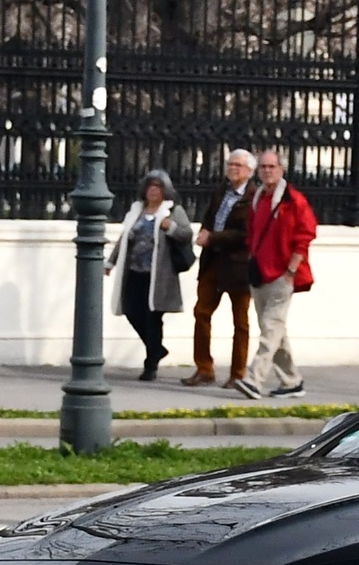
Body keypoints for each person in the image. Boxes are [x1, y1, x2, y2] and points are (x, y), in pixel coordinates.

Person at [232, 147, 317, 399]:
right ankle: (292, 381)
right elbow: (252, 233)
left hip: (283, 275)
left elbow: (305, 234)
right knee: (275, 330)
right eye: (264, 167)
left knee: (270, 328)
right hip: (260, 273)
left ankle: (254, 379)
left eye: (272, 167)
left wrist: (291, 269)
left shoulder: (293, 200)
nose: (267, 171)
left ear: (281, 170)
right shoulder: (259, 198)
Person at [106, 169, 197, 382]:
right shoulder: (137, 210)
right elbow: (125, 238)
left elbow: (186, 234)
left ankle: (150, 365)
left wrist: (170, 226)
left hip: (159, 276)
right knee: (131, 312)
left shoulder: (173, 210)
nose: (153, 191)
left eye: (158, 187)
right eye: (150, 186)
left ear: (166, 191)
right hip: (134, 272)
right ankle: (156, 349)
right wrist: (111, 261)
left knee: (152, 318)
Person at [182, 149, 256, 387]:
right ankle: (204, 368)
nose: (233, 169)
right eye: (230, 164)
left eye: (238, 165)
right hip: (213, 262)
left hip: (238, 266)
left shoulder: (254, 197)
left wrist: (212, 238)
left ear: (249, 171)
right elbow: (209, 218)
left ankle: (238, 373)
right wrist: (204, 233)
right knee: (201, 313)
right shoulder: (220, 191)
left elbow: (245, 234)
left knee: (240, 322)